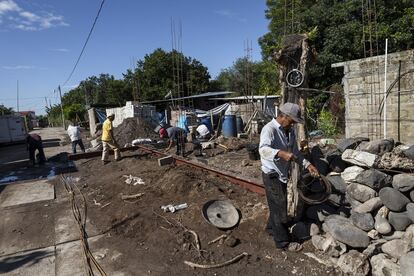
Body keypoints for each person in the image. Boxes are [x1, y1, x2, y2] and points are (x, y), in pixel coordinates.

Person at [259, 102, 319, 251]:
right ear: (283, 116)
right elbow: (263, 150)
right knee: (280, 208)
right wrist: (280, 153)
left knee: (278, 204)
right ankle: (283, 242)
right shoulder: (269, 129)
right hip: (271, 174)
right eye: (292, 121)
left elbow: (296, 153)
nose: (293, 124)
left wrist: (308, 165)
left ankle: (272, 229)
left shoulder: (289, 131)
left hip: (282, 174)